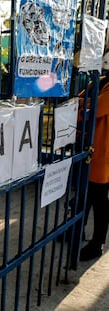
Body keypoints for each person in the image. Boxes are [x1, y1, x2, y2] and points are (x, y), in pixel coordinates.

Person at [78, 56, 109, 261]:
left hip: (103, 151)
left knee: (99, 197)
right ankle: (75, 229)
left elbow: (96, 108)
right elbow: (78, 100)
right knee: (85, 193)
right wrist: (84, 105)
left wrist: (83, 106)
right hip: (89, 148)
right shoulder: (99, 81)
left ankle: (98, 242)